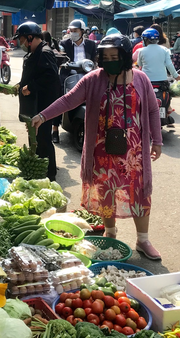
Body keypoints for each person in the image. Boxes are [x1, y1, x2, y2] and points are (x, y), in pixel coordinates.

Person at [32, 33, 163, 259]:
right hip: (101, 151)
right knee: (106, 192)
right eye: (106, 56)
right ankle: (110, 233)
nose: (110, 60)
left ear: (124, 56)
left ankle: (143, 240)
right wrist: (43, 116)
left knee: (139, 194)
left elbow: (151, 110)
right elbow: (68, 100)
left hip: (134, 152)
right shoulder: (93, 79)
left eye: (115, 56)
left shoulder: (141, 79)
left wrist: (157, 141)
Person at [14, 21, 61, 180]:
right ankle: (40, 171)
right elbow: (33, 74)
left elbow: (50, 76)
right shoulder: (34, 52)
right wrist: (21, 85)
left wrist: (31, 87)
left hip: (44, 105)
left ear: (30, 37)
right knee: (37, 138)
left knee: (44, 139)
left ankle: (50, 174)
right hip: (35, 105)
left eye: (21, 40)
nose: (20, 43)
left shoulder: (45, 52)